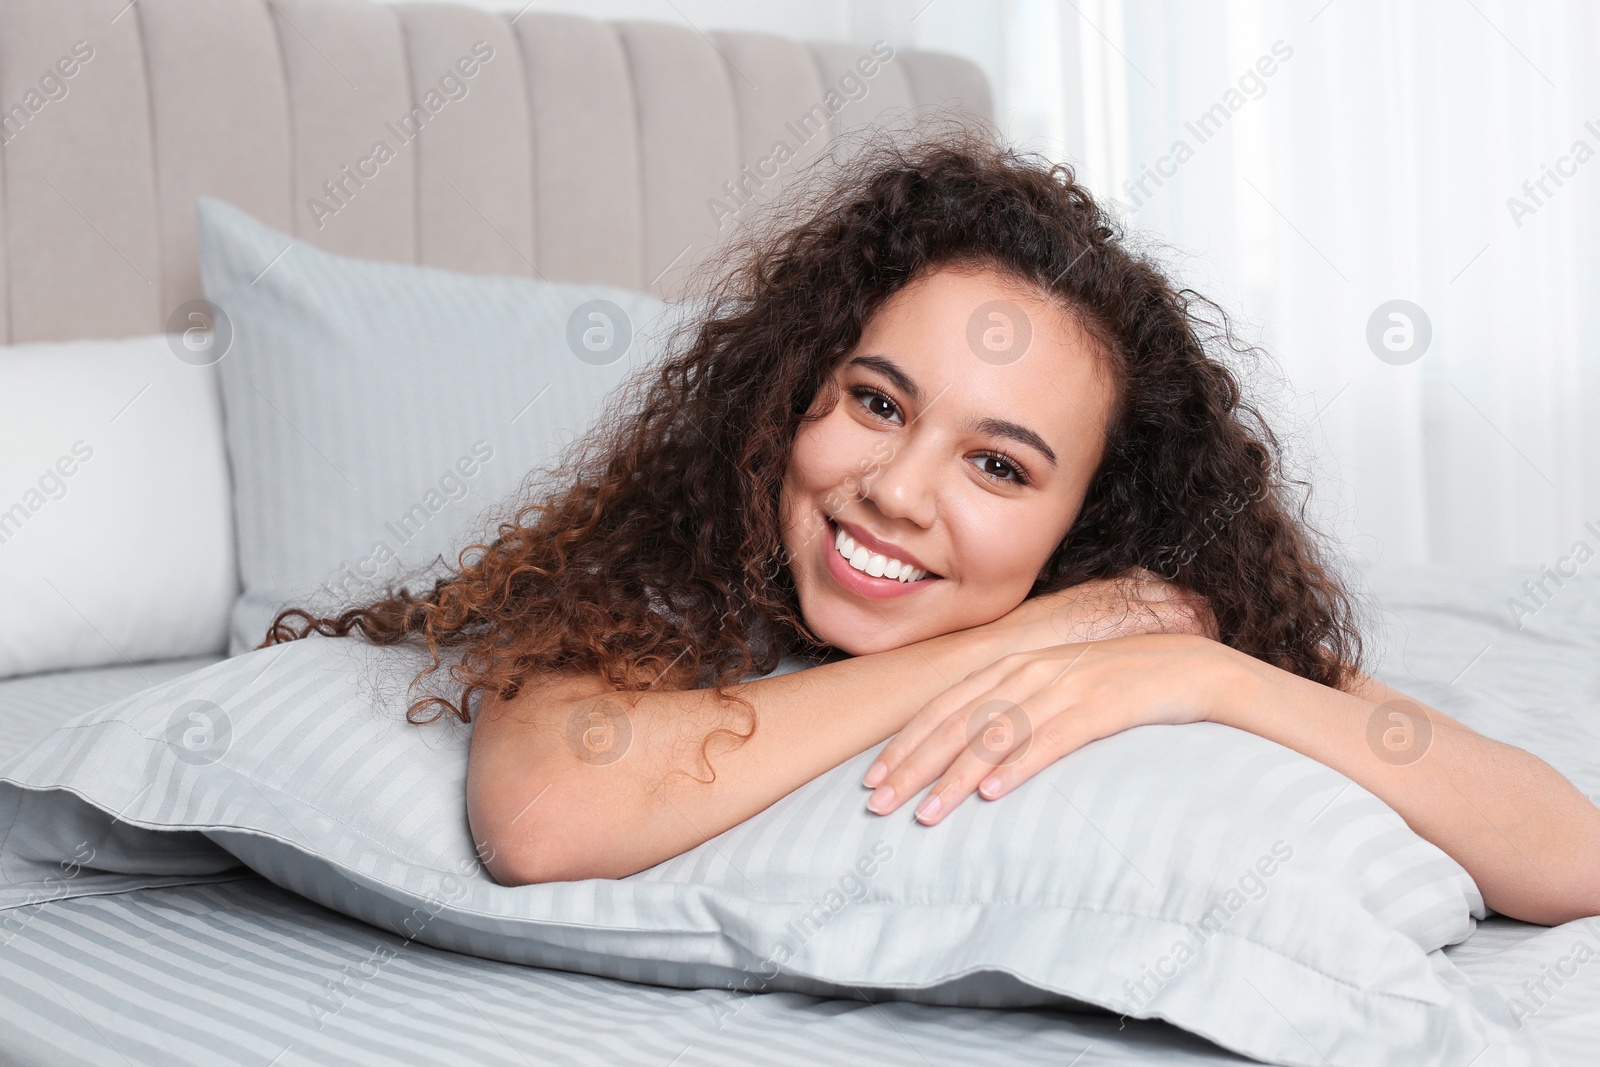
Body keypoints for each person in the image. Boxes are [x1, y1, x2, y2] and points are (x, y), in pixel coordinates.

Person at [262, 121, 1600, 924]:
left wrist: (1200, 671)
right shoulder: (668, 575)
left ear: (1089, 521)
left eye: (1000, 467)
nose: (898, 491)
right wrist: (1029, 643)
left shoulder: (1140, 612)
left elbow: (1571, 856)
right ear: (797, 388)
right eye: (876, 401)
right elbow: (547, 817)